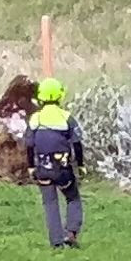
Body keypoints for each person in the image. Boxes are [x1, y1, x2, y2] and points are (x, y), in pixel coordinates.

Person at [25, 79, 85, 249]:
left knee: (50, 203)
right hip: (63, 170)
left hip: (42, 170)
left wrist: (31, 167)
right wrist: (80, 165)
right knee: (73, 198)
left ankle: (56, 243)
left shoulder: (35, 119)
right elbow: (77, 144)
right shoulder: (66, 118)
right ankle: (71, 233)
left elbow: (29, 146)